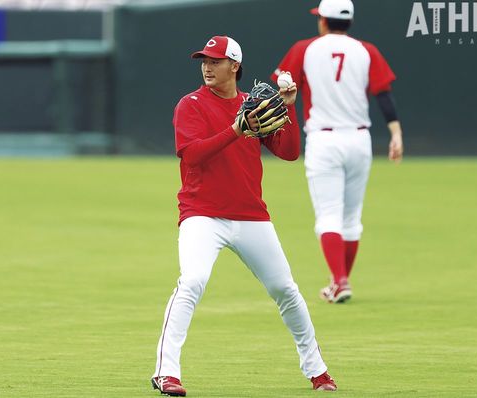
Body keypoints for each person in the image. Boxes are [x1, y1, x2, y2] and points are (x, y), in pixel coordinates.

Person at [150, 35, 337, 397]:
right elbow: (192, 155)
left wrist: (288, 107)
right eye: (204, 60)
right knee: (192, 282)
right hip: (202, 214)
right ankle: (166, 372)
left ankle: (318, 372)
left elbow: (289, 153)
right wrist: (237, 129)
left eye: (216, 60)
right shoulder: (190, 105)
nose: (207, 66)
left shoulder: (254, 105)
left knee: (286, 290)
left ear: (234, 66)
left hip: (251, 215)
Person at [271, 0, 404, 304]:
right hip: (360, 139)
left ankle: (340, 281)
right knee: (351, 218)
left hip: (324, 139)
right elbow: (384, 94)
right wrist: (396, 134)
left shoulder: (305, 48)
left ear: (323, 21)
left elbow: (282, 84)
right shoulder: (366, 50)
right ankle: (339, 281)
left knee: (328, 216)